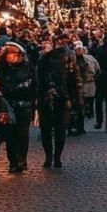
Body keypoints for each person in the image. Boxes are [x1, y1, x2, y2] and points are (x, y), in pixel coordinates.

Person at [37, 32, 81, 168]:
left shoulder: (47, 58)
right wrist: (75, 98)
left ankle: (51, 157)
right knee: (58, 129)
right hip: (60, 98)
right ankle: (55, 158)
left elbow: (38, 79)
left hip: (50, 97)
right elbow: (75, 81)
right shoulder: (67, 59)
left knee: (48, 130)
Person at [0, 42, 36, 172]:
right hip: (8, 105)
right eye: (13, 54)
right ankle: (13, 162)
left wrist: (31, 99)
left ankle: (22, 160)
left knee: (23, 134)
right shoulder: (0, 67)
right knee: (11, 135)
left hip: (25, 104)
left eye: (18, 54)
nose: (16, 56)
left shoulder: (28, 66)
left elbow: (35, 84)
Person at [74, 42, 99, 129]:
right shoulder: (90, 58)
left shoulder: (87, 59)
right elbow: (97, 69)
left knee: (86, 99)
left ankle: (88, 111)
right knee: (87, 99)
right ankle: (89, 111)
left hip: (86, 82)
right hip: (86, 82)